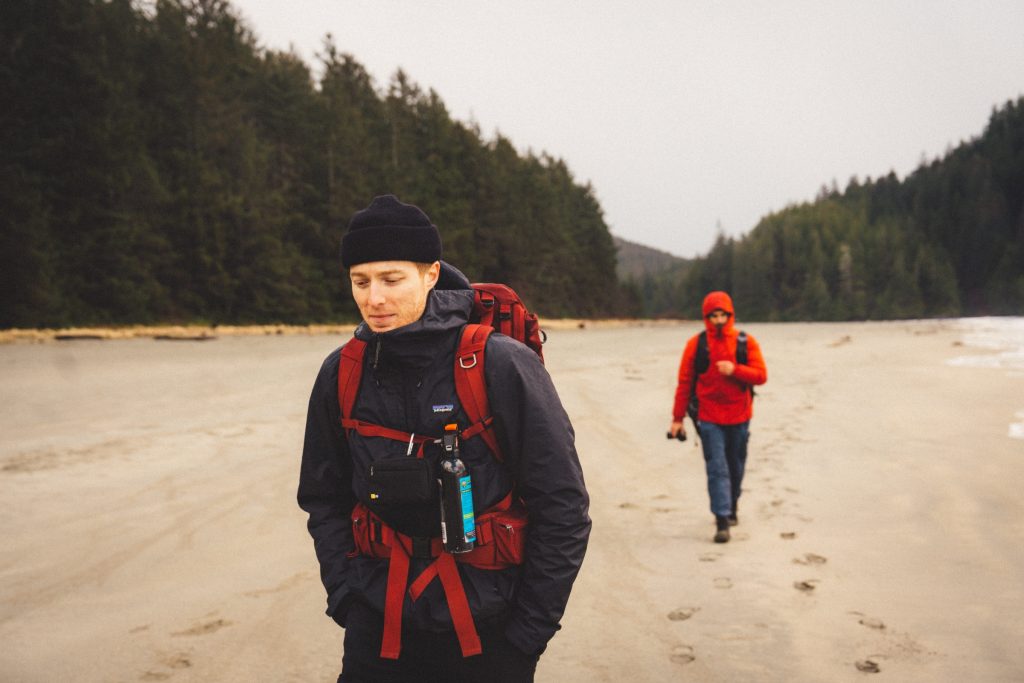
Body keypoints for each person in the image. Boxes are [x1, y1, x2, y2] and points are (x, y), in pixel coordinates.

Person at [298, 195, 591, 683]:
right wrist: (347, 598)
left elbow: (562, 505)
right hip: (378, 628)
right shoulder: (341, 373)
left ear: (431, 274)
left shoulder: (499, 364)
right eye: (360, 282)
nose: (375, 299)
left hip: (490, 632)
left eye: (392, 280)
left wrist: (526, 636)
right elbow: (321, 496)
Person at [668, 291, 767, 543]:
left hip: (740, 415)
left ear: (730, 315)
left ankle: (732, 505)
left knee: (736, 465)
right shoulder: (696, 344)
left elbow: (761, 375)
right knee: (717, 468)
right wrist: (677, 419)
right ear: (706, 317)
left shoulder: (746, 342)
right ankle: (722, 520)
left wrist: (735, 370)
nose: (719, 320)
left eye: (723, 315)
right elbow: (684, 383)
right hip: (709, 417)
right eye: (714, 315)